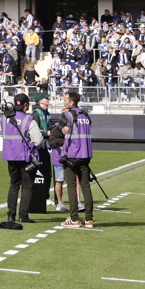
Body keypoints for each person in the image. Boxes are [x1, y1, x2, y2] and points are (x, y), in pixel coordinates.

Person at [0, 93, 42, 229]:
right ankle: (23, 215)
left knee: (14, 185)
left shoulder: (4, 118)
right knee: (27, 186)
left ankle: (11, 215)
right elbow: (38, 141)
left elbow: (1, 133)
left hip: (10, 156)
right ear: (26, 105)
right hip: (26, 157)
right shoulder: (29, 119)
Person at [58, 90, 94, 228]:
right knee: (86, 186)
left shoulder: (66, 115)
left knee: (71, 186)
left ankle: (74, 218)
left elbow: (59, 130)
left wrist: (64, 118)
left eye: (65, 99)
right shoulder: (85, 115)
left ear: (71, 102)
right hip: (85, 154)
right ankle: (89, 219)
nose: (64, 101)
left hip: (71, 155)